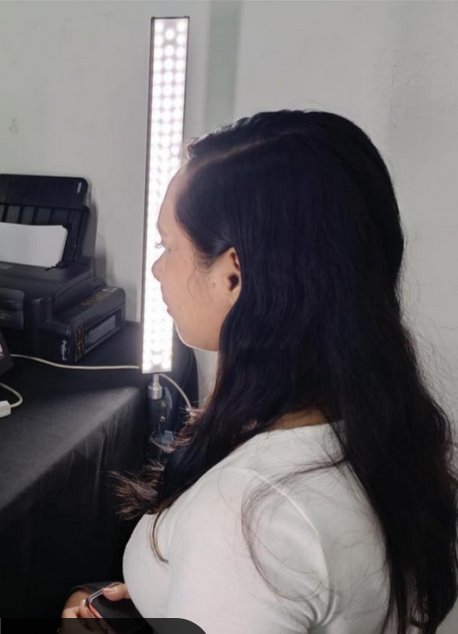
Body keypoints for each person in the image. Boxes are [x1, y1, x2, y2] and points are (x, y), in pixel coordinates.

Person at [63, 111, 457, 634]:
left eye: (167, 247)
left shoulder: (246, 523)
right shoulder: (384, 428)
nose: (157, 269)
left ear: (232, 274)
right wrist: (180, 597)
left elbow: (257, 566)